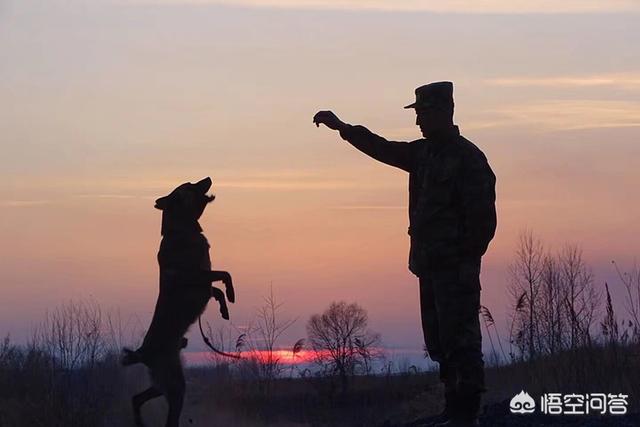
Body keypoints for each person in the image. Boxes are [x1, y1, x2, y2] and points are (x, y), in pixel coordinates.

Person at [313, 82, 496, 427]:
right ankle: (452, 406)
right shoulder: (423, 155)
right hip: (429, 267)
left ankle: (466, 412)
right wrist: (343, 128)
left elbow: (483, 221)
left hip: (455, 269)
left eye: (423, 114)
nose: (418, 123)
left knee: (462, 339)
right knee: (440, 340)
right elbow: (382, 148)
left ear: (443, 112)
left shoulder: (468, 158)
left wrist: (465, 261)